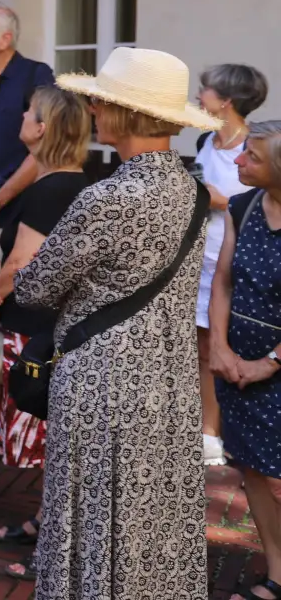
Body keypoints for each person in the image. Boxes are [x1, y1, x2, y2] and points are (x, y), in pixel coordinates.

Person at [13, 46, 218, 599]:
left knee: (92, 519)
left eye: (102, 103)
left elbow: (34, 288)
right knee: (154, 522)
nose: (94, 112)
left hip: (102, 378)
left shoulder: (106, 197)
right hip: (169, 381)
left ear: (127, 114)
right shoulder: (192, 191)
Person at [0, 86, 92, 579]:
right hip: (50, 325)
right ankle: (45, 523)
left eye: (29, 112)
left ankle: (56, 547)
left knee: (52, 446)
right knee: (55, 445)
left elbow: (23, 263)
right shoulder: (70, 182)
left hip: (38, 329)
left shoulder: (50, 190)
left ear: (41, 129)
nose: (21, 116)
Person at [0, 2, 56, 441]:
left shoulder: (36, 76)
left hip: (14, 215)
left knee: (2, 305)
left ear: (5, 38)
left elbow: (42, 152)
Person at [208, 120, 281, 600]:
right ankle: (277, 572)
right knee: (253, 470)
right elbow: (223, 282)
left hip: (272, 368)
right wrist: (219, 346)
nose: (238, 162)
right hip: (238, 365)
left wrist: (270, 362)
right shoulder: (244, 205)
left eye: (251, 157)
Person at [195, 64, 270, 466]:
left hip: (230, 260)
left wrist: (218, 199)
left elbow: (255, 202)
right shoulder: (206, 139)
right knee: (197, 345)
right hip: (197, 257)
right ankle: (202, 424)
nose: (197, 96)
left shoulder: (256, 145)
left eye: (204, 90)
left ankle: (213, 432)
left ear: (225, 101)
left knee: (216, 345)